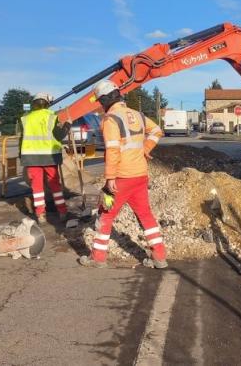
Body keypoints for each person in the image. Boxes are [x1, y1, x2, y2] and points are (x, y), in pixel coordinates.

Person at [79, 80, 167, 269]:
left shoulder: (111, 119)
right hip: (140, 175)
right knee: (145, 214)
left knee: (105, 215)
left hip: (121, 178)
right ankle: (159, 256)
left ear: (104, 100)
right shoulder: (138, 115)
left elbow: (112, 150)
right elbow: (157, 131)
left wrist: (110, 177)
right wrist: (145, 148)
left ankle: (98, 258)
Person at [19, 92, 70, 224]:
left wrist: (22, 156)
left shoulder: (26, 118)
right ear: (47, 103)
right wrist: (68, 125)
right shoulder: (51, 116)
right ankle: (62, 211)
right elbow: (59, 136)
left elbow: (21, 140)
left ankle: (40, 214)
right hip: (49, 157)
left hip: (31, 157)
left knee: (37, 187)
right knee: (54, 185)